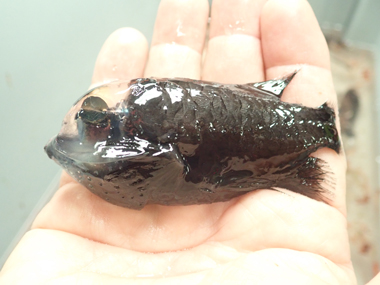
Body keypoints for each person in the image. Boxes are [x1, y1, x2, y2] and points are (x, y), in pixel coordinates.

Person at [0, 0, 367, 283]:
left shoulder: (130, 122)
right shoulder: (127, 133)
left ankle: (317, 131)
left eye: (94, 121)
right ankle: (316, 132)